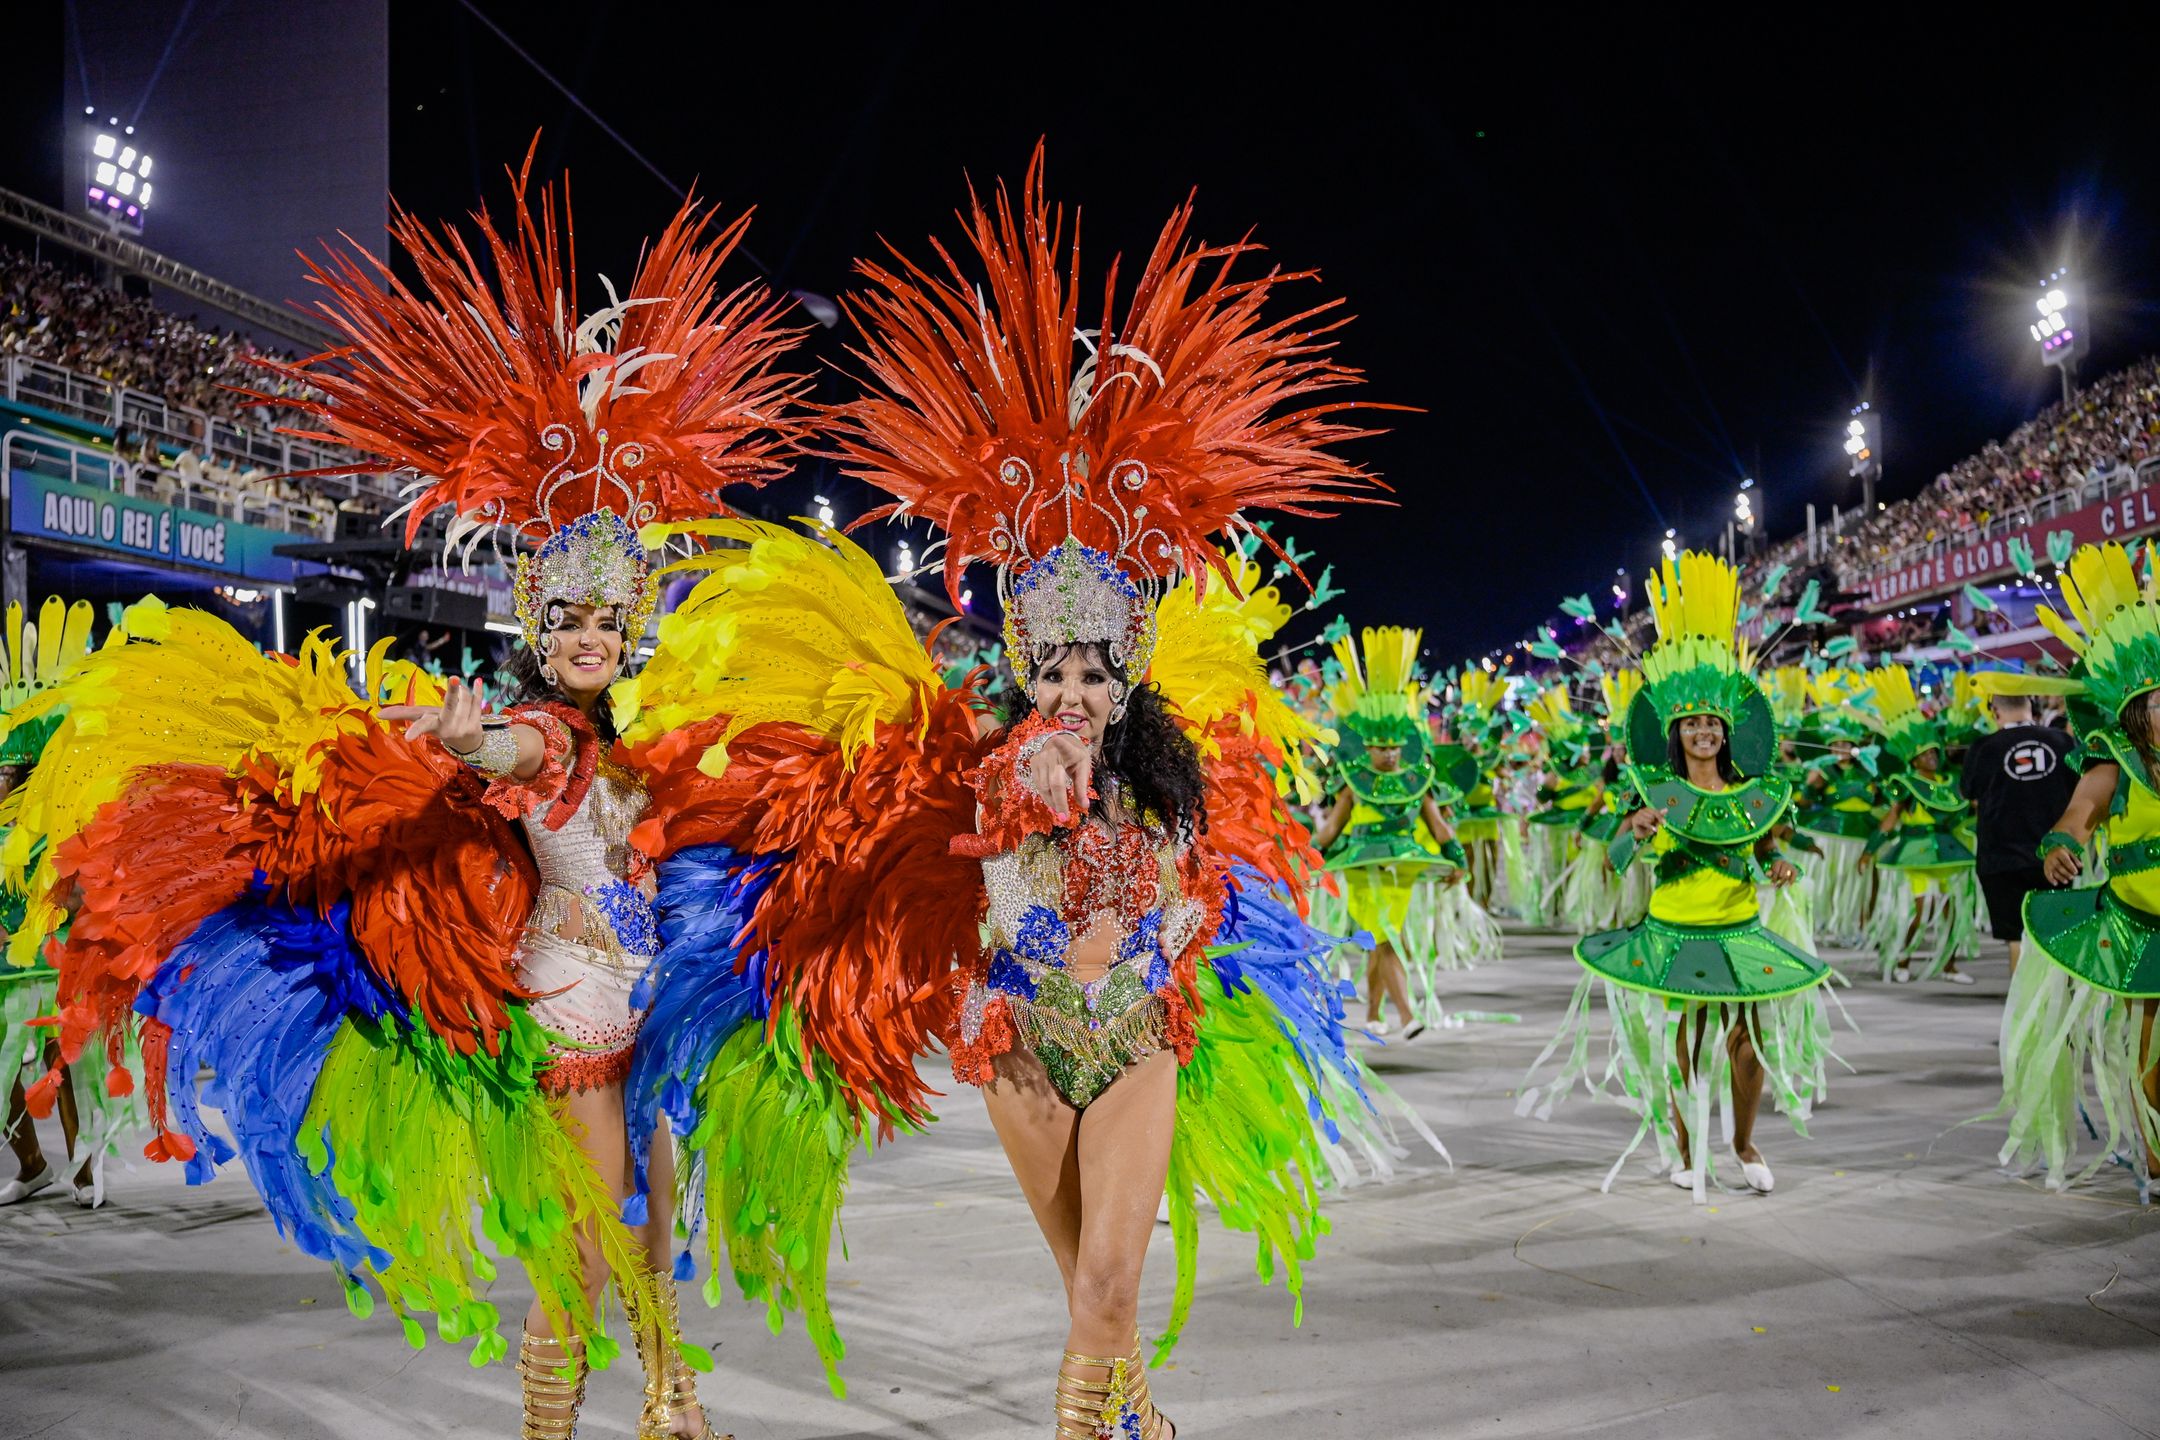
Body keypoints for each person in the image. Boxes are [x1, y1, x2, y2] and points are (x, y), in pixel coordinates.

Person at [3, 159, 817, 1439]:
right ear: (541, 627)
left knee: (649, 1244)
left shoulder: (645, 740)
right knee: (580, 1263)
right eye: (574, 619)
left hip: (646, 1018)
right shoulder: (551, 732)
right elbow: (515, 760)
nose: (597, 636)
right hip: (573, 1036)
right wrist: (464, 738)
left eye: (613, 618)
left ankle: (671, 1403)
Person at [819, 145, 1394, 1436]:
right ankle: (1137, 1420)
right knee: (1094, 1299)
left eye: (1093, 668)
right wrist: (1040, 794)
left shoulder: (1169, 774)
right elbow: (999, 843)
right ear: (1023, 665)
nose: (1071, 690)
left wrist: (1166, 925)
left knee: (1112, 1283)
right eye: (1052, 667)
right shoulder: (1005, 763)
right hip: (1021, 1048)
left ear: (1127, 665)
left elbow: (1195, 896)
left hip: (1136, 1039)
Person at [1517, 552, 1835, 1204]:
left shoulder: (1754, 795)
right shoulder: (1656, 797)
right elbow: (1612, 862)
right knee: (1687, 1044)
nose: (1702, 733)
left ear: (1724, 732)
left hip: (1738, 930)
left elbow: (1768, 851)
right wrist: (1629, 835)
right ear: (1676, 734)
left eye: (1710, 725)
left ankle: (1744, 1142)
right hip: (1675, 931)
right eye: (1690, 724)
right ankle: (1689, 1149)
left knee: (1748, 1046)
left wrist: (1778, 865)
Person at [1996, 542, 2160, 1196]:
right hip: (2139, 924)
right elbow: (2077, 816)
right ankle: (2153, 1146)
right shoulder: (2111, 765)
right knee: (2149, 1037)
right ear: (2134, 714)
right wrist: (2059, 845)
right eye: (2156, 702)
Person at [1308, 626, 1477, 1039]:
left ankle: (1372, 1011)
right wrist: (1304, 858)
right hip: (1363, 865)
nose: (1389, 753)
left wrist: (1458, 860)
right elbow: (1331, 828)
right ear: (1366, 747)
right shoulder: (1352, 780)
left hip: (1403, 864)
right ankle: (1407, 1015)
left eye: (1394, 746)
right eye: (1380, 746)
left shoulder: (1419, 780)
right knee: (1385, 936)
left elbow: (1438, 826)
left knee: (1383, 938)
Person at [1860, 665, 1980, 984]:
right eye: (1926, 754)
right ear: (1913, 760)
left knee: (1950, 911)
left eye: (1935, 753)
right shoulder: (1906, 784)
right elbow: (1891, 818)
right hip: (1915, 852)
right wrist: (1869, 850)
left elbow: (1961, 810)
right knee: (1922, 908)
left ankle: (1949, 965)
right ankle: (1903, 959)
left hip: (1945, 852)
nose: (1932, 758)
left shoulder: (1949, 781)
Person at [1960, 685, 2079, 975]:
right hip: (2055, 854)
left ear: (1995, 711)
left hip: (2001, 857)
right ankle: (2054, 1006)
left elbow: (1968, 792)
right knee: (2054, 933)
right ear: (2031, 705)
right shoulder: (2062, 742)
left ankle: (2022, 1010)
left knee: (2017, 937)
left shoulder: (1984, 747)